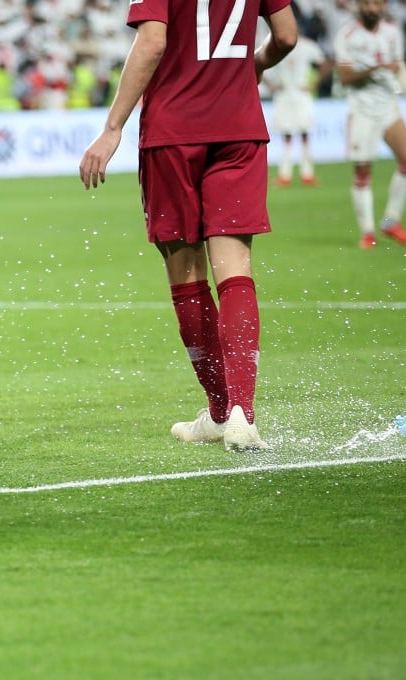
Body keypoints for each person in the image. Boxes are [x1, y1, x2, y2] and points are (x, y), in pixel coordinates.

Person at [78, 0, 298, 451]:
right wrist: (252, 65)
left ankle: (220, 411)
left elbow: (153, 40)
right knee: (235, 269)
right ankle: (242, 414)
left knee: (187, 273)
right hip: (239, 128)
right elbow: (288, 35)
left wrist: (113, 126)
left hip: (174, 130)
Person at [334, 0, 406, 249]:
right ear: (359, 6)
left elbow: (398, 67)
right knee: (363, 172)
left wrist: (398, 71)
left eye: (376, 3)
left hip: (388, 106)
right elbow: (343, 77)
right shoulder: (347, 35)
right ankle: (367, 232)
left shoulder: (393, 32)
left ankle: (390, 221)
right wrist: (375, 68)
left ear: (384, 6)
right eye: (367, 3)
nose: (372, 8)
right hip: (362, 110)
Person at [263, 35, 326, 186]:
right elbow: (259, 62)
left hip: (300, 94)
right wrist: (271, 85)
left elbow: (324, 63)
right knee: (288, 136)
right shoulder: (275, 43)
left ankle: (306, 174)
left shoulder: (306, 45)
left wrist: (315, 84)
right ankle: (285, 175)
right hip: (285, 94)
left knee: (303, 134)